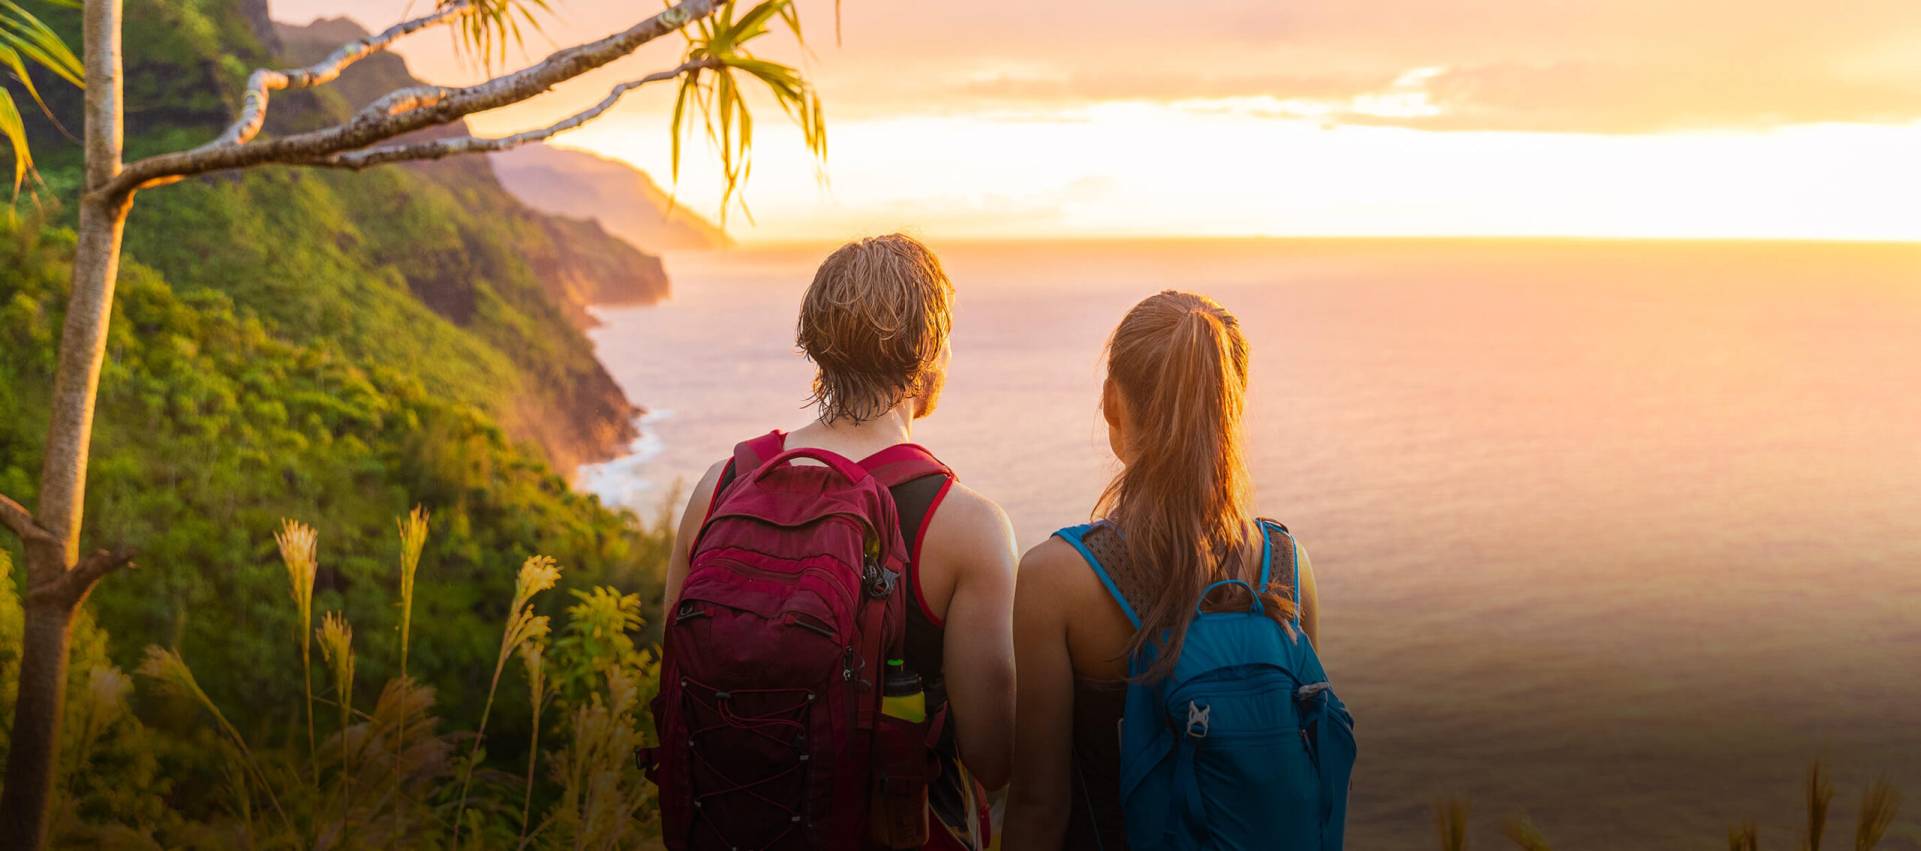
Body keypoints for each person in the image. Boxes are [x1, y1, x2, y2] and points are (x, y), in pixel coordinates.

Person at [658, 234, 1017, 850]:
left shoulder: (720, 488)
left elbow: (675, 685)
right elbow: (994, 756)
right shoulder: (966, 527)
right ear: (931, 351)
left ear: (817, 346)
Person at [1002, 290, 1334, 850]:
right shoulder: (1287, 568)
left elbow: (1040, 808)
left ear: (1111, 403)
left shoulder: (1054, 581)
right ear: (1231, 405)